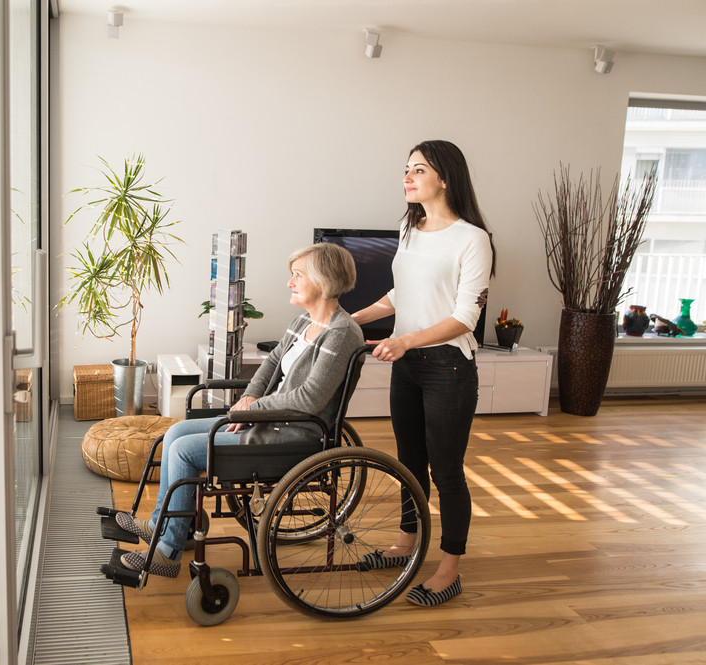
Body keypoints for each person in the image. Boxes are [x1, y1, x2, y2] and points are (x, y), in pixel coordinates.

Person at [115, 242, 366, 577]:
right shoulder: (302, 322)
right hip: (265, 419)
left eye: (297, 275)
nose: (290, 282)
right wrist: (247, 400)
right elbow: (273, 362)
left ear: (323, 280)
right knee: (174, 432)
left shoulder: (341, 334)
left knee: (187, 451)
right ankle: (165, 524)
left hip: (293, 434)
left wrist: (255, 408)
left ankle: (167, 550)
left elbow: (309, 398)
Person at [351, 140, 495, 607]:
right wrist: (352, 319)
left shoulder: (473, 239)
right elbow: (401, 293)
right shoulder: (409, 228)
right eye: (406, 169)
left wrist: (406, 340)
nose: (408, 177)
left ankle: (449, 570)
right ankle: (405, 545)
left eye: (418, 169)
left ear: (445, 178)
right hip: (408, 365)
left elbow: (465, 318)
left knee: (446, 471)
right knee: (409, 465)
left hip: (448, 368)